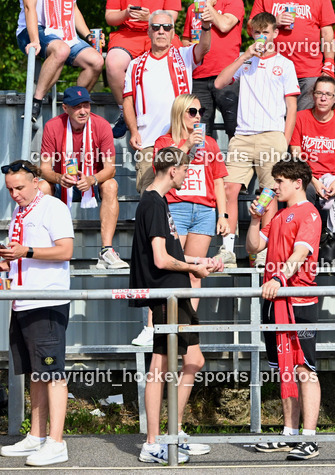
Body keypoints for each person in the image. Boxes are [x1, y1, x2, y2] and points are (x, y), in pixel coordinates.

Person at [129, 147, 221, 465]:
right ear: (172, 171)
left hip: (174, 293)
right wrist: (193, 270)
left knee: (187, 360)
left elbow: (173, 254)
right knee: (165, 365)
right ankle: (156, 441)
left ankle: (171, 432)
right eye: (185, 170)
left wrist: (199, 261)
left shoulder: (158, 201)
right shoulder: (153, 202)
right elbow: (160, 259)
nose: (187, 175)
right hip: (167, 294)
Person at [245, 159, 323, 460]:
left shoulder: (310, 214)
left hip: (298, 300)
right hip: (273, 299)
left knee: (305, 368)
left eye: (279, 181)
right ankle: (289, 434)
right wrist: (254, 219)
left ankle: (310, 438)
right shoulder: (278, 215)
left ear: (296, 183)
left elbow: (301, 253)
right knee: (284, 369)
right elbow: (253, 248)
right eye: (274, 181)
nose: (274, 187)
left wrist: (279, 276)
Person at [0, 160, 73, 466]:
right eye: (9, 189)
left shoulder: (52, 207)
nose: (14, 194)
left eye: (19, 188)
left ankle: (57, 442)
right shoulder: (21, 210)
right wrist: (8, 262)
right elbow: (23, 251)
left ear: (35, 182)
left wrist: (26, 252)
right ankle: (37, 436)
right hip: (23, 300)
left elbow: (65, 250)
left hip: (46, 302)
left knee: (52, 372)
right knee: (35, 373)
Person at [215, 12, 299, 265]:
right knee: (229, 188)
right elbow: (219, 83)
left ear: (275, 33)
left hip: (271, 135)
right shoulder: (246, 60)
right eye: (257, 32)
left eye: (267, 32)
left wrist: (284, 140)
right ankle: (227, 249)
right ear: (251, 33)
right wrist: (244, 56)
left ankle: (263, 249)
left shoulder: (285, 64)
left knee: (269, 193)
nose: (262, 36)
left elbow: (292, 107)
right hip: (242, 136)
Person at [16, 0, 104, 127]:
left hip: (64, 32)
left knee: (96, 61)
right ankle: (36, 102)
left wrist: (89, 36)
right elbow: (30, 6)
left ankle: (72, 106)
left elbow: (72, 8)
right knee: (61, 49)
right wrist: (36, 41)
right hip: (33, 29)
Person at [124, 11, 211, 193]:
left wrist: (205, 26)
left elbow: (204, 47)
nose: (161, 31)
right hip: (149, 142)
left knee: (182, 200)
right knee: (149, 197)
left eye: (167, 27)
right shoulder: (135, 64)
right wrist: (133, 131)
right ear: (149, 32)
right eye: (156, 27)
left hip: (182, 140)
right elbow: (128, 100)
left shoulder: (184, 55)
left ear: (173, 33)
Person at [38, 86, 125, 269]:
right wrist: (59, 177)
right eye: (77, 106)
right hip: (64, 180)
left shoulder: (101, 125)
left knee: (111, 185)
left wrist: (92, 179)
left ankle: (106, 251)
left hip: (92, 181)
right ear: (65, 108)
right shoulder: (53, 126)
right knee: (42, 187)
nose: (83, 111)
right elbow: (44, 168)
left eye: (86, 105)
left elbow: (110, 169)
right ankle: (46, 247)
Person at [154, 94, 229, 303]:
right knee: (169, 268)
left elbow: (218, 181)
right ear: (180, 113)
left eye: (201, 112)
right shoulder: (164, 142)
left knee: (196, 271)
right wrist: (187, 145)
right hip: (176, 207)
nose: (198, 117)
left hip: (204, 211)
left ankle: (189, 328)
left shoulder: (211, 143)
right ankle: (159, 328)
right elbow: (162, 169)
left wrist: (222, 215)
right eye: (192, 112)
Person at [105, 0, 183, 138]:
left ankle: (181, 112)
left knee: (180, 60)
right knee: (113, 64)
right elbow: (110, 17)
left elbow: (172, 18)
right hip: (128, 34)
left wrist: (151, 18)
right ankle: (125, 112)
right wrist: (125, 14)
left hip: (160, 31)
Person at [250, 0, 335, 110]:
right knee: (273, 122)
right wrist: (274, 21)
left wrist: (329, 64)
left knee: (304, 122)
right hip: (271, 68)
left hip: (309, 72)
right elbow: (250, 26)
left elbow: (327, 33)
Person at [289, 75, 335, 266]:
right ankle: (308, 250)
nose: (323, 98)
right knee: (307, 195)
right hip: (307, 176)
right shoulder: (301, 117)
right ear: (313, 95)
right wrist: (313, 180)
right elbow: (296, 155)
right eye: (320, 93)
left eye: (328, 94)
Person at [181, 0, 244, 138]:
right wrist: (190, 47)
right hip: (198, 77)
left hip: (226, 76)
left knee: (235, 129)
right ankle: (203, 165)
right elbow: (186, 39)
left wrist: (208, 5)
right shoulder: (192, 8)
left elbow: (224, 25)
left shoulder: (233, 0)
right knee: (200, 131)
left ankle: (237, 165)